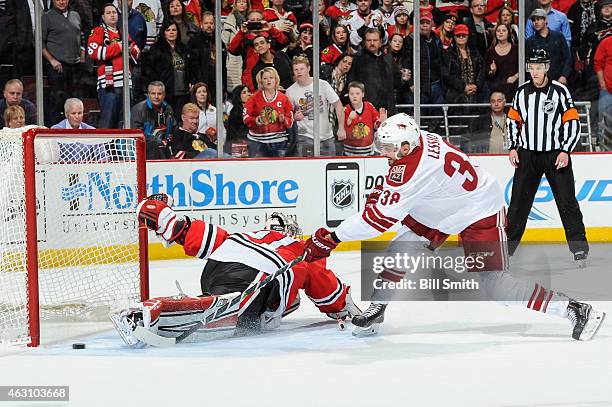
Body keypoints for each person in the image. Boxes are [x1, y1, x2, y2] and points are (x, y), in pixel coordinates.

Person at [302, 112, 605, 341]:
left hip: (478, 210)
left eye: (389, 147)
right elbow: (403, 193)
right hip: (446, 204)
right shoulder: (423, 139)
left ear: (407, 145)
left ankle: (574, 309)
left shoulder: (411, 167)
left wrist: (332, 236)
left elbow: (377, 220)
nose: (385, 152)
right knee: (402, 246)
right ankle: (378, 308)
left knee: (495, 285)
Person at [111, 196, 360, 347]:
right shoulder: (299, 250)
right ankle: (161, 312)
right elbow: (325, 287)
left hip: (218, 265)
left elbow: (208, 238)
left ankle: (196, 300)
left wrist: (175, 227)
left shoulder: (248, 236)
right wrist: (343, 307)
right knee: (253, 295)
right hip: (259, 272)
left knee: (217, 291)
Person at [506, 49, 589, 265]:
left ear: (546, 67)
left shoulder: (560, 92)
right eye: (531, 67)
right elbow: (513, 120)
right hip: (527, 155)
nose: (534, 72)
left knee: (567, 202)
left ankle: (579, 250)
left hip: (554, 155)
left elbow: (571, 122)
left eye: (538, 67)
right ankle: (507, 250)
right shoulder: (521, 92)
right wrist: (513, 147)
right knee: (518, 205)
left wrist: (565, 150)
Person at [87, 3, 140, 129]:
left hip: (126, 83)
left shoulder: (123, 33)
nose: (112, 15)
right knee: (108, 122)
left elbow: (136, 52)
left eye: (114, 12)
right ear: (103, 17)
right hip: (108, 84)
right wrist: (119, 47)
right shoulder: (98, 31)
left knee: (125, 122)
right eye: (108, 13)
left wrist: (127, 49)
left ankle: (121, 149)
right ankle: (105, 148)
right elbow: (94, 52)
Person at [286, 56, 346, 156]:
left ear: (308, 68)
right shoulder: (290, 91)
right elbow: (288, 115)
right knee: (308, 168)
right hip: (305, 137)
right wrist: (294, 117)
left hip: (326, 136)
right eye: (296, 69)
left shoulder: (323, 84)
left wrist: (341, 128)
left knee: (327, 168)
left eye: (301, 69)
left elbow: (338, 105)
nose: (299, 72)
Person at [42, 0, 84, 126]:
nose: (61, 1)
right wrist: (51, 59)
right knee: (57, 100)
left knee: (74, 100)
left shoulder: (75, 15)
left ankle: (74, 128)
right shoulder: (47, 17)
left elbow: (81, 35)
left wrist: (82, 53)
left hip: (74, 65)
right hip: (57, 66)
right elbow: (39, 42)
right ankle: (55, 130)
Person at [243, 67, 295, 157]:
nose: (268, 81)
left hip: (279, 142)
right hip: (256, 142)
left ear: (276, 80)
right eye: (265, 78)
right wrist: (256, 120)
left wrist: (284, 119)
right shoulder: (253, 98)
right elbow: (245, 116)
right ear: (261, 81)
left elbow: (290, 119)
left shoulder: (284, 98)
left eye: (271, 78)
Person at [144, 21, 190, 118]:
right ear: (164, 33)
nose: (171, 32)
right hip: (165, 91)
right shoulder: (156, 48)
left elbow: (190, 67)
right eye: (168, 30)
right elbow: (149, 69)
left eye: (174, 30)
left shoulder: (184, 48)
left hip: (182, 91)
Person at [349, 28, 396, 113]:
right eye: (369, 40)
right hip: (365, 109)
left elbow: (397, 81)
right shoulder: (358, 59)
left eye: (375, 40)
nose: (372, 43)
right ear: (364, 42)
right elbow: (352, 82)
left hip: (387, 109)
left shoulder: (388, 59)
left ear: (380, 42)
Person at [442, 24, 486, 104]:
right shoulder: (448, 53)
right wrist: (463, 87)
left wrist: (476, 85)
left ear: (468, 36)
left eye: (464, 35)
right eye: (458, 35)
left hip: (476, 93)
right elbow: (446, 75)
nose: (461, 37)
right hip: (456, 95)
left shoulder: (475, 52)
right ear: (454, 37)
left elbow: (482, 70)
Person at [525, 9, 572, 84]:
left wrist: (564, 76)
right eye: (533, 20)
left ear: (546, 20)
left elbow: (567, 58)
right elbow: (528, 64)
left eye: (539, 19)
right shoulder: (530, 42)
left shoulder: (558, 37)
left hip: (558, 80)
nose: (536, 22)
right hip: (538, 83)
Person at [131, 81, 175, 159]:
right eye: (153, 93)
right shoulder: (138, 109)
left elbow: (173, 128)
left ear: (164, 95)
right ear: (148, 94)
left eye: (159, 94)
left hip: (164, 146)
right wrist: (156, 140)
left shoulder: (168, 108)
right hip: (144, 148)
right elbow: (137, 134)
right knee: (156, 143)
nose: (156, 97)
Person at [342, 81, 386, 156]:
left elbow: (376, 125)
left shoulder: (369, 106)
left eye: (357, 93)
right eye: (351, 94)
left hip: (368, 151)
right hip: (349, 152)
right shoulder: (346, 109)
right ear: (348, 95)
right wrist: (349, 119)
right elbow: (342, 130)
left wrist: (381, 122)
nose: (354, 96)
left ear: (363, 94)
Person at [484, 23, 519, 101]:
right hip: (496, 91)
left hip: (513, 88)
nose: (501, 32)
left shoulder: (516, 49)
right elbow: (487, 73)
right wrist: (492, 71)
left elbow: (523, 67)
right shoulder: (490, 52)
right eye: (498, 31)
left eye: (503, 30)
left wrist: (515, 77)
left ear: (508, 33)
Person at [222, 0, 250, 92]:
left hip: (248, 58)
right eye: (239, 1)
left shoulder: (251, 20)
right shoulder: (229, 22)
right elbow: (224, 43)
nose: (242, 4)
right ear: (235, 4)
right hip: (234, 59)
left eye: (244, 2)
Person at [594, 34, 612, 140]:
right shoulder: (606, 42)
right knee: (606, 122)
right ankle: (604, 147)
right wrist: (603, 85)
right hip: (607, 90)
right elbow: (598, 64)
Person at [226, 85, 251, 157]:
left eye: (248, 91)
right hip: (238, 146)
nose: (248, 94)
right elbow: (236, 132)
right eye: (244, 92)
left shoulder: (250, 110)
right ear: (238, 96)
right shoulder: (235, 111)